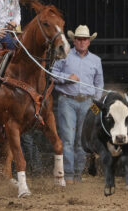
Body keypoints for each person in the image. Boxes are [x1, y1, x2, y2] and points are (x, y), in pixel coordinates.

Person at [52, 25, 104, 184]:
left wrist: (95, 102)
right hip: (68, 99)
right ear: (74, 41)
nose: (82, 42)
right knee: (68, 139)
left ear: (89, 41)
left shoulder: (96, 60)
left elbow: (99, 84)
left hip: (86, 102)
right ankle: (69, 175)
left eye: (85, 39)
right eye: (79, 39)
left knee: (82, 142)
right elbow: (51, 74)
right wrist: (68, 77)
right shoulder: (64, 55)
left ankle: (77, 175)